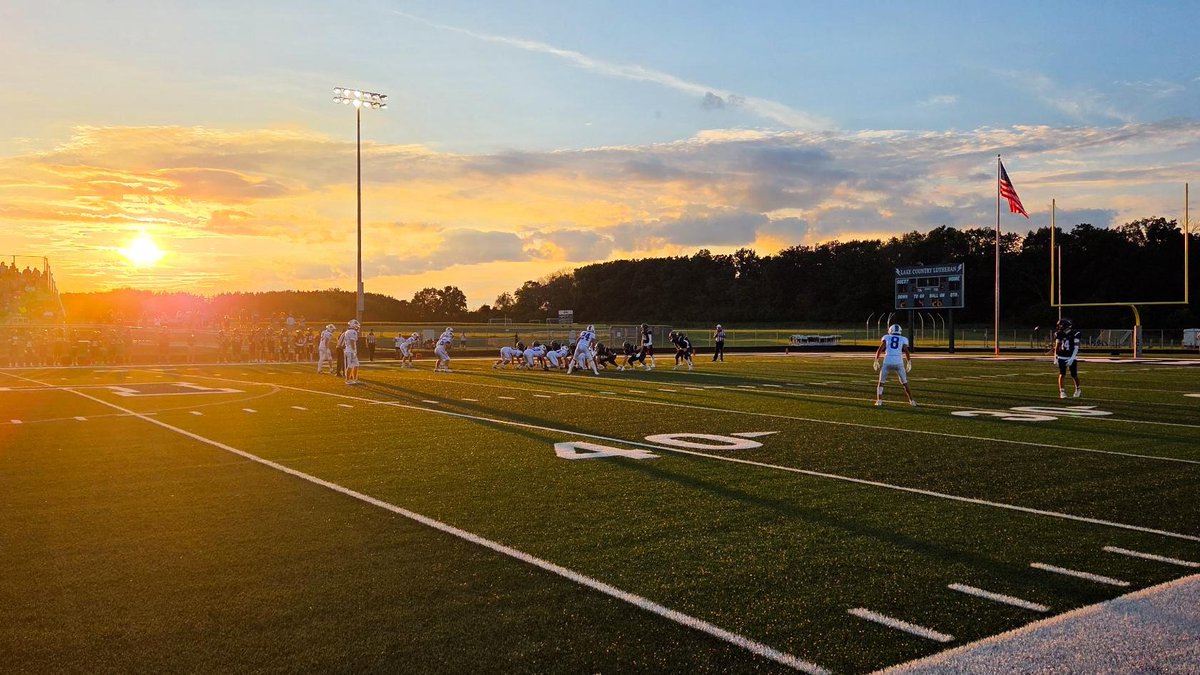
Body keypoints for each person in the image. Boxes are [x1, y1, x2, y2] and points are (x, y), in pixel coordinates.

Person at [873, 324, 916, 407]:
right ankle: (911, 401)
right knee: (905, 383)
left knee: (881, 382)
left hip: (887, 361)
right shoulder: (903, 339)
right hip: (898, 362)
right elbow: (906, 351)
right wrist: (909, 361)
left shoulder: (886, 337)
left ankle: (879, 400)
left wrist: (876, 360)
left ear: (890, 330)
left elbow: (880, 349)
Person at [1052, 317, 1082, 398]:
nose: (1059, 327)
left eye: (1061, 325)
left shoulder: (1075, 334)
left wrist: (1072, 358)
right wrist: (1055, 357)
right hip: (1061, 356)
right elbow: (1057, 346)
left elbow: (1076, 347)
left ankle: (1078, 389)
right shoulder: (1058, 334)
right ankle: (1062, 392)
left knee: (1074, 375)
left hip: (1071, 356)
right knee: (1062, 374)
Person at [339, 319, 361, 384]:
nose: (357, 327)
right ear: (353, 325)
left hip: (349, 350)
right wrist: (354, 351)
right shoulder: (352, 332)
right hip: (350, 351)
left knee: (356, 365)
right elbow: (352, 342)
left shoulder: (349, 331)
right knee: (350, 365)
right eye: (356, 325)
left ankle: (355, 379)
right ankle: (347, 380)